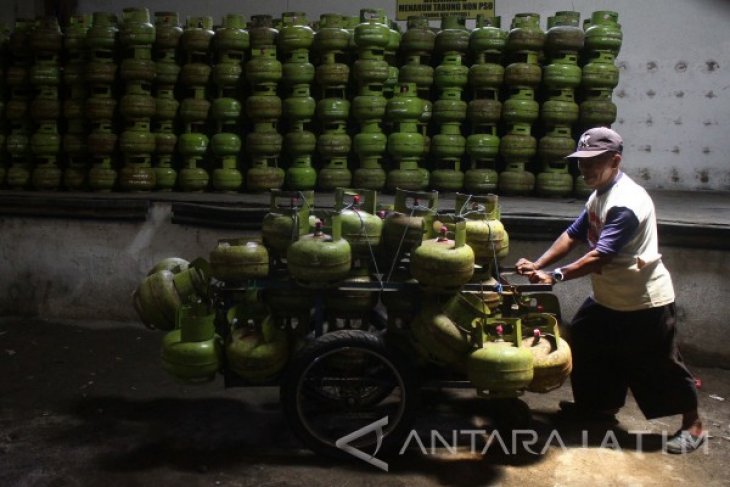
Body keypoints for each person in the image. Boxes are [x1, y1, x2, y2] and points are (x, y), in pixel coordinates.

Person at [515, 127, 704, 454]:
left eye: (593, 163)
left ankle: (693, 425)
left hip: (644, 300)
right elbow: (573, 234)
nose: (585, 170)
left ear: (615, 160)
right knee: (587, 337)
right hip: (609, 297)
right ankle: (599, 408)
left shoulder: (626, 203)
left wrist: (554, 275)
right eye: (581, 163)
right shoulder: (599, 193)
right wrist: (538, 264)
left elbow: (601, 255)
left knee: (661, 364)